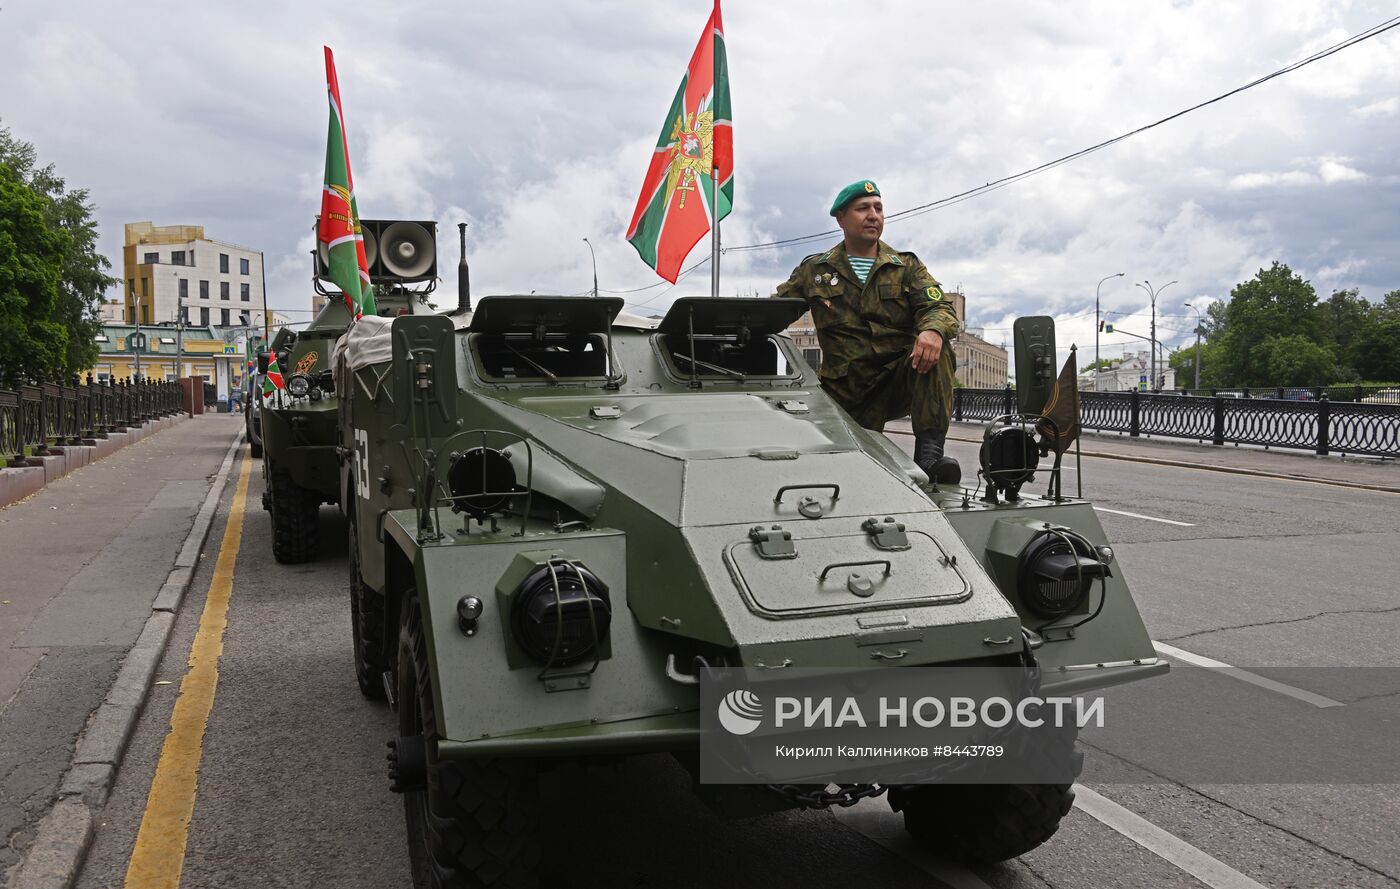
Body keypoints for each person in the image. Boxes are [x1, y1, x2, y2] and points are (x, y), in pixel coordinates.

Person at [774, 179, 959, 482]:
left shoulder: (906, 267)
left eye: (879, 208)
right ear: (841, 219)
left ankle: (929, 458)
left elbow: (939, 308)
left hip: (895, 380)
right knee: (837, 474)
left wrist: (933, 331)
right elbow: (774, 312)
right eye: (863, 209)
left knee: (939, 348)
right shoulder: (816, 271)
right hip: (844, 393)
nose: (873, 215)